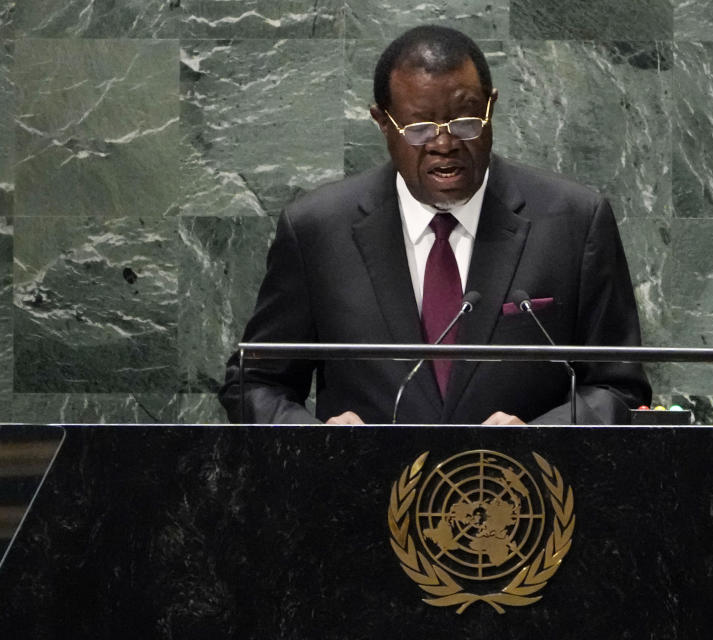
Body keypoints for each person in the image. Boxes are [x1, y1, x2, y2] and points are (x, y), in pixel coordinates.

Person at [218, 25, 651, 425]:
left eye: (465, 121)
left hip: (524, 499)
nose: (444, 144)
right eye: (419, 128)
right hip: (365, 496)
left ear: (491, 107)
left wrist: (541, 434)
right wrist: (317, 440)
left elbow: (620, 387)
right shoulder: (317, 230)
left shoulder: (574, 221)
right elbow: (254, 383)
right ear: (382, 122)